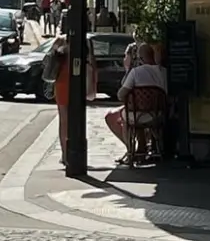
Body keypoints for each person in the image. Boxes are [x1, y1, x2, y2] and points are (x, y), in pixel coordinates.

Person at [105, 43, 168, 163]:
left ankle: (131, 150)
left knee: (128, 117)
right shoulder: (164, 72)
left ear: (140, 59)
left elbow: (120, 95)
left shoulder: (136, 72)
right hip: (159, 115)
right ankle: (146, 148)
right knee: (136, 115)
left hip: (136, 115)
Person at [52, 32, 97, 166]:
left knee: (67, 120)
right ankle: (66, 154)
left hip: (69, 82)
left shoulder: (65, 40)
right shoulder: (66, 40)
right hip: (67, 82)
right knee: (66, 120)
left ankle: (67, 154)